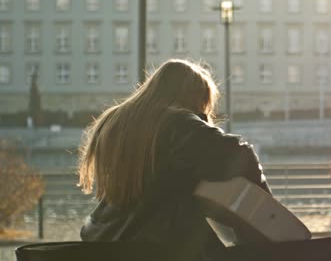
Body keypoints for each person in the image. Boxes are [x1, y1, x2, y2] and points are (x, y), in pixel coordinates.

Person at [78, 59, 271, 248]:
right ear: (194, 95)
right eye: (204, 102)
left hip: (106, 236)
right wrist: (267, 211)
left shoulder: (113, 120)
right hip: (164, 245)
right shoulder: (177, 120)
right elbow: (237, 154)